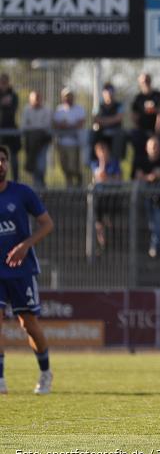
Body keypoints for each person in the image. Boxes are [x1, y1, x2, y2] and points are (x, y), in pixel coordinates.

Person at [0, 145, 55, 395]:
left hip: (22, 270)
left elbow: (47, 224)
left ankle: (45, 372)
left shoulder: (22, 193)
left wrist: (24, 245)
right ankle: (0, 379)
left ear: (7, 164)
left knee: (28, 324)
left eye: (2, 160)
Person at [133, 136, 160, 258]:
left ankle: (155, 247)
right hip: (145, 197)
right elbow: (138, 176)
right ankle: (154, 246)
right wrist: (153, 176)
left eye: (156, 146)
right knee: (152, 224)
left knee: (158, 223)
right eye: (152, 146)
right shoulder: (141, 160)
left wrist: (157, 175)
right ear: (147, 148)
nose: (154, 149)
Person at [90, 140, 122, 252]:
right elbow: (100, 175)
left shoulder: (115, 163)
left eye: (105, 150)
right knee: (98, 220)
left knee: (111, 217)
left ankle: (111, 238)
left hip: (112, 196)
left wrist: (106, 179)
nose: (103, 153)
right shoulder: (94, 164)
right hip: (99, 197)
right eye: (100, 151)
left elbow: (117, 179)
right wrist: (102, 163)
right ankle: (102, 243)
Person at [52, 87, 85, 188]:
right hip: (62, 143)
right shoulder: (59, 109)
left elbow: (81, 123)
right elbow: (56, 124)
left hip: (74, 143)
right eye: (66, 96)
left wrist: (67, 126)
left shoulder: (79, 109)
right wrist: (69, 125)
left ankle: (79, 183)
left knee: (73, 167)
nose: (68, 98)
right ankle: (69, 187)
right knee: (64, 167)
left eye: (70, 96)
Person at [21, 91, 52, 189]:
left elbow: (46, 125)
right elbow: (24, 126)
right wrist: (36, 130)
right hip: (30, 142)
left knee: (41, 165)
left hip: (43, 142)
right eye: (35, 99)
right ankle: (38, 185)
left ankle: (40, 185)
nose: (37, 101)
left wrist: (34, 129)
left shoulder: (47, 109)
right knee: (34, 164)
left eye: (39, 98)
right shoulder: (26, 110)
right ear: (30, 100)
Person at [130, 73, 160, 160]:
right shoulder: (138, 98)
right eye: (143, 81)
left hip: (158, 130)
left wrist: (156, 132)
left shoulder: (158, 96)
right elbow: (134, 116)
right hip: (142, 130)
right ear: (140, 83)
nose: (145, 83)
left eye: (147, 80)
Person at [91, 83, 125, 161]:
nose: (109, 93)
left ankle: (115, 163)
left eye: (111, 91)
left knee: (120, 135)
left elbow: (118, 118)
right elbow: (95, 118)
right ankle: (95, 161)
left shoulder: (119, 105)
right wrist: (110, 120)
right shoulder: (98, 106)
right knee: (94, 135)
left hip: (116, 131)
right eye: (107, 91)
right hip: (101, 132)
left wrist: (104, 121)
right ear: (103, 93)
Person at [0, 74, 20, 182]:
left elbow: (14, 108)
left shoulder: (13, 95)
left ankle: (15, 181)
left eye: (5, 81)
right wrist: (2, 103)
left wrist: (7, 104)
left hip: (11, 128)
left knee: (14, 157)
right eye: (1, 81)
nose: (3, 84)